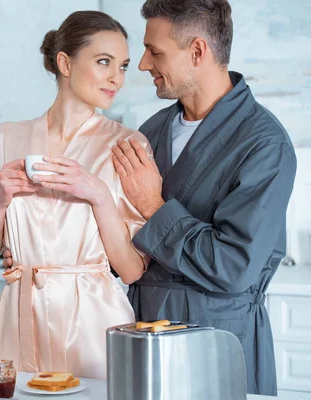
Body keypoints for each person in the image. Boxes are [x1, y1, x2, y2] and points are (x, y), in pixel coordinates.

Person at [109, 0, 296, 395]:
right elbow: (121, 234)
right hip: (141, 328)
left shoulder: (263, 144)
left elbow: (232, 267)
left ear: (197, 51)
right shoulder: (151, 130)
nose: (143, 65)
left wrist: (153, 207)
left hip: (218, 335)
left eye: (155, 52)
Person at [0, 11, 152, 379]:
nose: (117, 78)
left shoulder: (127, 146)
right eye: (104, 62)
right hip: (20, 313)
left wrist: (97, 194)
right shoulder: (3, 141)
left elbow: (130, 269)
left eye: (123, 66)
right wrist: (0, 200)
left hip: (94, 321)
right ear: (65, 63)